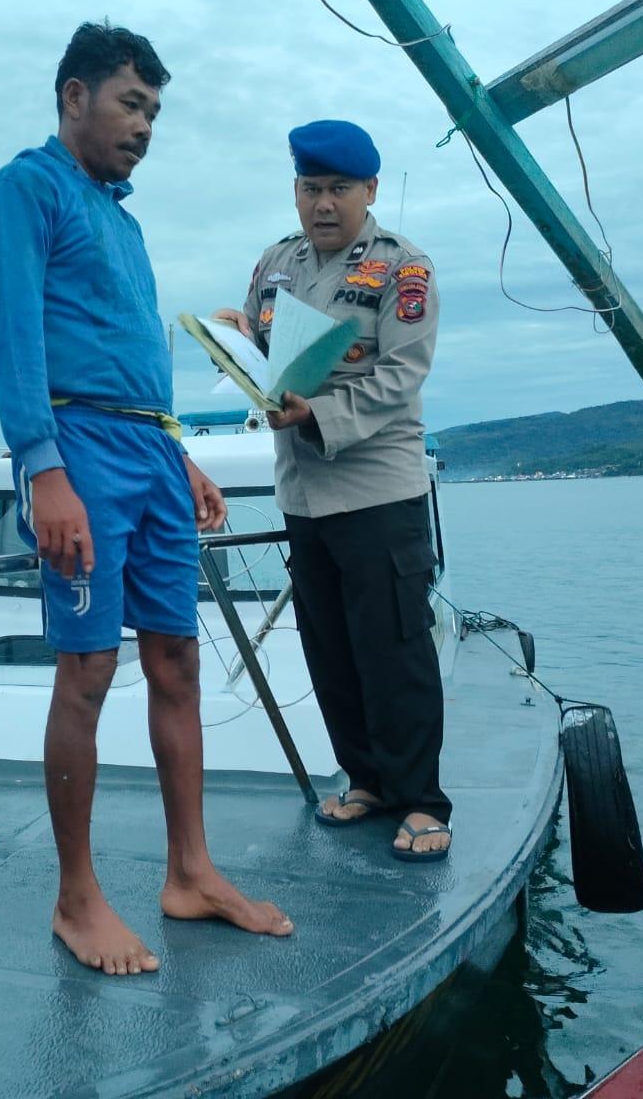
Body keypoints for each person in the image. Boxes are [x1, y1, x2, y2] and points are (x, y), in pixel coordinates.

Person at [0, 22, 293, 976]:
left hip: (146, 449)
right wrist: (45, 469)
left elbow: (130, 352)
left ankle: (190, 872)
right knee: (87, 671)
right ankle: (76, 898)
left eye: (154, 110)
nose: (145, 125)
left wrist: (176, 452)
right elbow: (7, 338)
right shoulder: (23, 190)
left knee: (178, 660)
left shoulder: (122, 219)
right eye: (130, 104)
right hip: (78, 451)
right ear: (75, 96)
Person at [212, 119, 451, 862]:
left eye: (339, 188)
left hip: (377, 488)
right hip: (303, 493)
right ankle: (367, 780)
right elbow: (266, 355)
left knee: (394, 650)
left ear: (369, 190)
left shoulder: (403, 267)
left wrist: (317, 414)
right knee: (331, 650)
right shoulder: (274, 263)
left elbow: (402, 375)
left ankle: (423, 800)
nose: (323, 203)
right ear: (296, 190)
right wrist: (234, 339)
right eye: (310, 188)